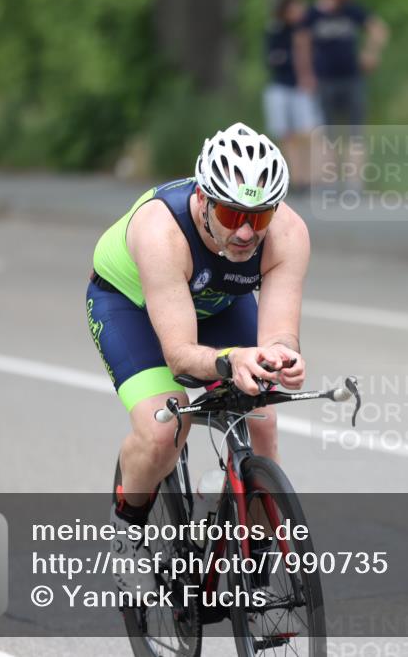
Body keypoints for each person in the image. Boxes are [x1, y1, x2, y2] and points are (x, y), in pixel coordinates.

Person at [86, 122, 310, 592]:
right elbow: (181, 356)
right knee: (165, 428)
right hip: (131, 305)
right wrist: (232, 360)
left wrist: (283, 357)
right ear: (204, 200)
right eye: (231, 214)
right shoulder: (161, 231)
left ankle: (254, 571)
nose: (246, 232)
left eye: (259, 217)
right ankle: (127, 528)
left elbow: (279, 334)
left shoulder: (288, 233)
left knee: (263, 422)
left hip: (215, 305)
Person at [296, 0, 388, 130]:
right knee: (326, 122)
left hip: (352, 75)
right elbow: (302, 45)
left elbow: (379, 29)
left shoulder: (351, 10)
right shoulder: (312, 14)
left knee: (357, 119)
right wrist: (305, 74)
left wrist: (370, 53)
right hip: (324, 77)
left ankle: (355, 143)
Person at [264, 0, 321, 192]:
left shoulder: (307, 30)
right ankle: (296, 178)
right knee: (286, 134)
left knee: (307, 132)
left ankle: (312, 175)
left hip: (301, 89)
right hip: (280, 86)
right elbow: (273, 59)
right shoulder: (275, 30)